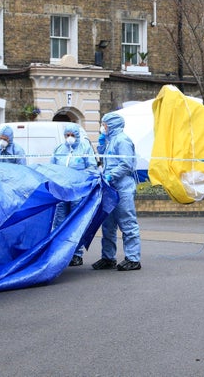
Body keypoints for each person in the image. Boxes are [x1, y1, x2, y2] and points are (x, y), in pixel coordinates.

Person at [92, 112, 142, 271]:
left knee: (127, 222)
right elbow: (105, 161)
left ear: (111, 125)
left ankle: (133, 259)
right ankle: (108, 257)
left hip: (122, 187)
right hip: (110, 187)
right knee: (108, 224)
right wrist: (101, 145)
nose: (102, 127)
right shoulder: (110, 141)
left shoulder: (122, 140)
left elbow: (126, 164)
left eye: (104, 124)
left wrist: (110, 175)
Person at [51, 124, 98, 266]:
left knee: (76, 223)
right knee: (59, 222)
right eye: (67, 135)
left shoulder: (84, 148)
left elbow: (91, 168)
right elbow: (52, 168)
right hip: (61, 191)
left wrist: (79, 179)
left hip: (77, 192)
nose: (69, 138)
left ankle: (76, 254)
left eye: (72, 135)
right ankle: (59, 252)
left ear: (77, 135)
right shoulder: (59, 149)